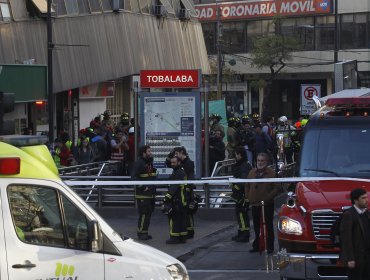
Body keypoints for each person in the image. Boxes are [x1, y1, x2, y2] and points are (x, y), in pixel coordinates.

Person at [245, 152, 282, 254]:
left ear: (266, 161)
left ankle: (270, 247)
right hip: (255, 203)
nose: (260, 162)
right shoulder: (251, 172)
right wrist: (248, 195)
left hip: (267, 204)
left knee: (268, 225)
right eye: (258, 160)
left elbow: (277, 187)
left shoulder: (272, 173)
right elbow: (246, 185)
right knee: (256, 226)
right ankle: (257, 245)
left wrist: (268, 197)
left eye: (262, 160)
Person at [340, 188, 370, 280]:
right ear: (355, 200)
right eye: (363, 198)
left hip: (367, 258)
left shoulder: (366, 213)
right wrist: (350, 259)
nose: (367, 200)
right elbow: (346, 239)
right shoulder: (349, 214)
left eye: (367, 197)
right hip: (356, 259)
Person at [131, 145, 157, 240]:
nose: (151, 153)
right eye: (149, 151)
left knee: (148, 214)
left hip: (150, 193)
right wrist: (143, 187)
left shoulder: (149, 163)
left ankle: (144, 232)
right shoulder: (139, 163)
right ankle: (141, 233)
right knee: (144, 213)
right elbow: (134, 177)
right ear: (144, 153)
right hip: (143, 193)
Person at [162, 156, 188, 244]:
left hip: (177, 200)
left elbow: (173, 188)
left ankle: (174, 238)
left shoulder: (178, 173)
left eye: (174, 163)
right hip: (183, 200)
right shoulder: (181, 172)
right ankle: (182, 237)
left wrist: (166, 199)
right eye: (171, 162)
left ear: (179, 163)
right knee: (182, 220)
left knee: (174, 219)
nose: (172, 164)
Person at [231, 146, 252, 242]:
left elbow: (243, 182)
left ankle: (244, 234)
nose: (235, 156)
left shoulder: (244, 166)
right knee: (239, 213)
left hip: (242, 195)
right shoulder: (243, 165)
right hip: (240, 194)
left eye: (236, 154)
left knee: (241, 213)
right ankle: (241, 232)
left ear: (240, 155)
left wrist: (235, 187)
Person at [174, 146, 196, 238]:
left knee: (188, 211)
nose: (175, 155)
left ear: (182, 152)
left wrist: (188, 189)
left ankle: (190, 231)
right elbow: (168, 163)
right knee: (184, 211)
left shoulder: (189, 163)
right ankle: (187, 230)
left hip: (187, 189)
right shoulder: (180, 162)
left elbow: (190, 177)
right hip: (180, 190)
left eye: (177, 153)